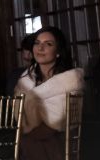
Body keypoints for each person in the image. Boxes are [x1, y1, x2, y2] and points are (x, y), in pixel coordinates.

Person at [14, 27, 83, 160]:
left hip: (60, 139)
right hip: (31, 140)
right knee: (30, 141)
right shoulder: (25, 81)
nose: (40, 48)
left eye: (48, 44)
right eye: (37, 43)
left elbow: (59, 121)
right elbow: (18, 117)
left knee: (36, 141)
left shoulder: (68, 82)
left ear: (58, 52)